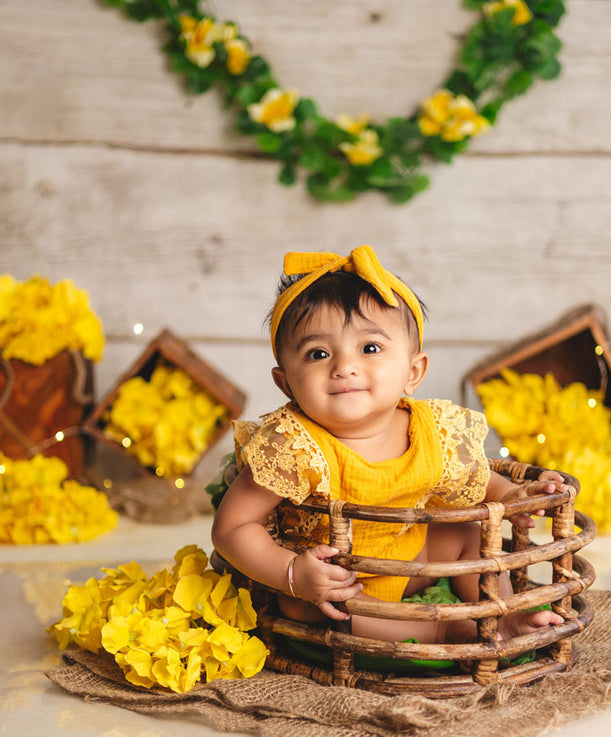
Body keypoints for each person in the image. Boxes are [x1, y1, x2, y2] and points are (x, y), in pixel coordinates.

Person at [211, 245, 565, 645]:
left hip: (414, 559)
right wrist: (293, 573)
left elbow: (475, 477)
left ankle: (502, 615)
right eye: (318, 353)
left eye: (370, 348)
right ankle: (444, 629)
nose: (344, 366)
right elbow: (232, 526)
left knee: (468, 531)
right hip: (340, 580)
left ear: (413, 372)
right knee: (309, 609)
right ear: (286, 383)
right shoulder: (292, 446)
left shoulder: (432, 429)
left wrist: (514, 496)